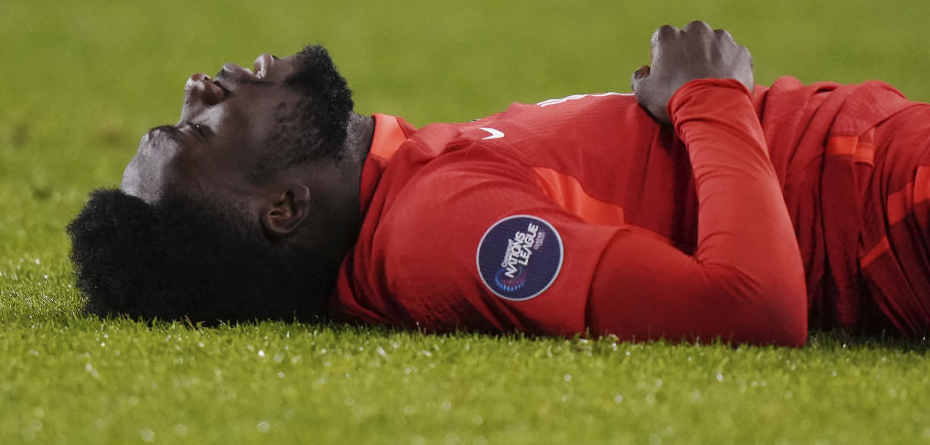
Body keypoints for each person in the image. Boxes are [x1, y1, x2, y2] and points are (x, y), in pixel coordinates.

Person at [67, 22, 930, 345]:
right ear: (283, 209)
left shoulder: (407, 195)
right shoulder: (440, 231)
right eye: (193, 131)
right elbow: (749, 308)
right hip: (885, 202)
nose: (198, 87)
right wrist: (710, 96)